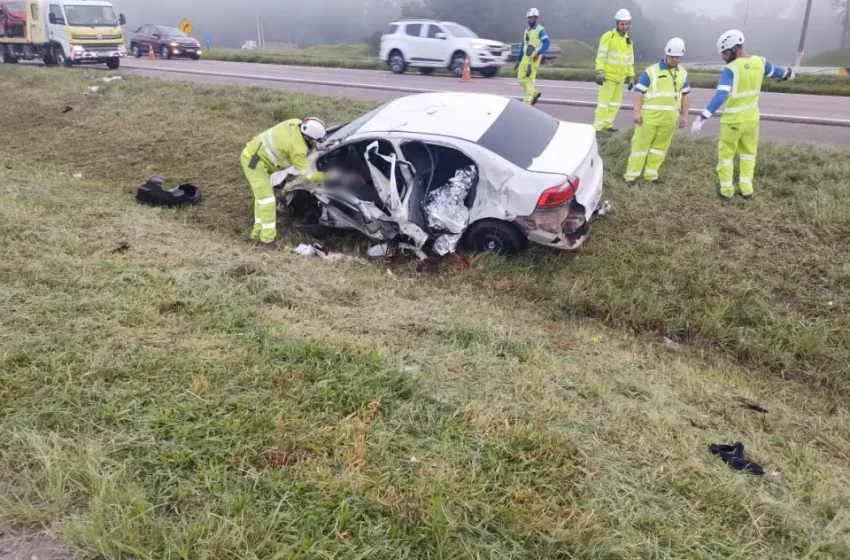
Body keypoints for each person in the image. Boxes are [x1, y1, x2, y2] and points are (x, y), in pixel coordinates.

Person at [691, 30, 795, 201]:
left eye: (724, 52)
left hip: (732, 121)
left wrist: (701, 118)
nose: (723, 57)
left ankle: (726, 191)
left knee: (726, 155)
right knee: (748, 154)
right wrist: (788, 73)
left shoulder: (730, 69)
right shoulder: (760, 62)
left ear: (735, 48)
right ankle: (747, 190)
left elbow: (720, 96)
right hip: (752, 120)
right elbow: (778, 72)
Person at [241, 117, 328, 249]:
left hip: (254, 154)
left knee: (261, 200)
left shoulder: (294, 122)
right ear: (307, 137)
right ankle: (267, 240)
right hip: (255, 164)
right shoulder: (297, 149)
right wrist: (327, 176)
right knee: (267, 201)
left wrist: (320, 145)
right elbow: (307, 176)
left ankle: (256, 232)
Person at [624, 38, 692, 186]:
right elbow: (638, 93)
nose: (675, 60)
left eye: (678, 57)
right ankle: (631, 176)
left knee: (659, 149)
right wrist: (636, 113)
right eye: (673, 57)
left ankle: (651, 175)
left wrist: (685, 116)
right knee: (639, 148)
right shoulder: (651, 71)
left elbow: (686, 95)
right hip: (648, 119)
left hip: (668, 121)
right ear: (666, 54)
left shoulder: (683, 74)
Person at [594, 9, 636, 133]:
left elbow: (629, 60)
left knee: (615, 105)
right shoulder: (608, 36)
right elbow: (601, 55)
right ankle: (597, 129)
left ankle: (607, 126)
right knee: (603, 104)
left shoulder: (628, 41)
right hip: (608, 77)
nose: (625, 27)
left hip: (620, 78)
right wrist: (599, 71)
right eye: (622, 24)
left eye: (627, 24)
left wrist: (631, 76)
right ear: (617, 23)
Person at [515, 8, 551, 106]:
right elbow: (523, 44)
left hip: (533, 59)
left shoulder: (540, 30)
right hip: (525, 58)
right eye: (529, 18)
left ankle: (527, 103)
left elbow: (547, 42)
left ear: (536, 18)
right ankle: (534, 93)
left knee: (530, 80)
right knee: (520, 79)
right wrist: (518, 58)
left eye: (532, 18)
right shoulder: (527, 30)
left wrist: (539, 53)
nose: (530, 19)